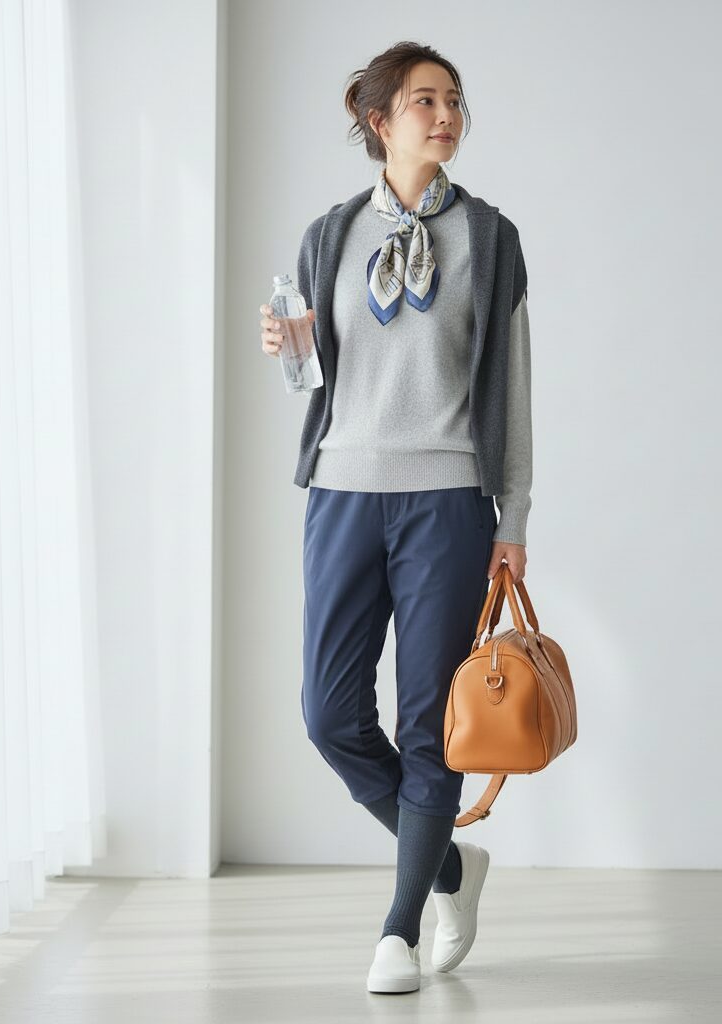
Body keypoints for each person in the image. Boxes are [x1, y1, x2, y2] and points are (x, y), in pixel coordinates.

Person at [258, 41, 532, 994]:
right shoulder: (328, 235)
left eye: (454, 100)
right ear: (379, 120)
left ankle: (399, 930)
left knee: (428, 723)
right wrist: (290, 351)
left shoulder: (489, 237)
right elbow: (317, 382)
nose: (446, 115)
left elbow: (513, 388)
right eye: (425, 101)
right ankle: (451, 865)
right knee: (329, 714)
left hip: (448, 501)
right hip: (342, 493)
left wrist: (513, 518)